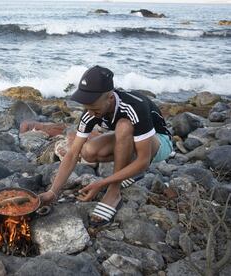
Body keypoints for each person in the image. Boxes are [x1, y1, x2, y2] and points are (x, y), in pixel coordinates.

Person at [39, 65, 173, 227]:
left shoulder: (134, 107)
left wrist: (103, 183)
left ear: (110, 98)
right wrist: (53, 192)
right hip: (133, 140)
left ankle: (114, 192)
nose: (89, 113)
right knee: (88, 151)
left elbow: (144, 161)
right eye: (86, 108)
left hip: (159, 143)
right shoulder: (91, 110)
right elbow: (73, 153)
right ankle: (129, 172)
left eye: (94, 108)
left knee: (124, 126)